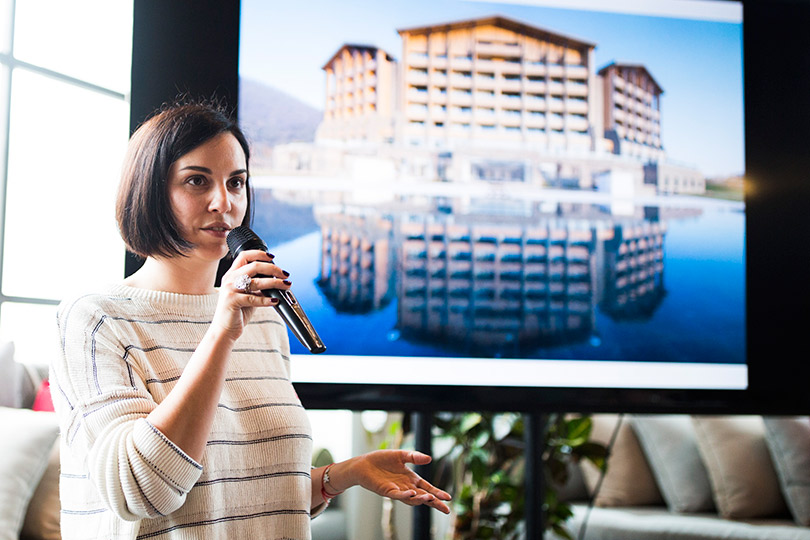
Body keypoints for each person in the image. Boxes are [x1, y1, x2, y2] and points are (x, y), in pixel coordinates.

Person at [51, 100, 451, 540]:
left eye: (236, 182)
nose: (224, 203)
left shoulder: (262, 321)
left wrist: (341, 475)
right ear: (149, 190)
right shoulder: (95, 319)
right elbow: (143, 492)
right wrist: (221, 331)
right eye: (197, 181)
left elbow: (242, 491)